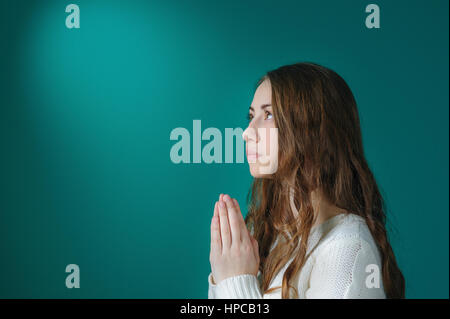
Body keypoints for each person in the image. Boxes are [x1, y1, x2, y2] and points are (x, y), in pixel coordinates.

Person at [208, 62, 405, 299]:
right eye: (251, 116)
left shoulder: (347, 250)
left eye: (268, 114)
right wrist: (227, 277)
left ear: (313, 130)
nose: (247, 132)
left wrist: (235, 282)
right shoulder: (278, 241)